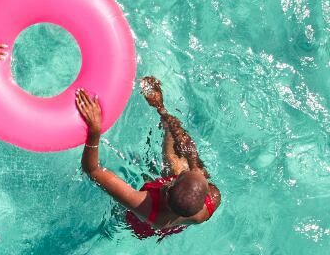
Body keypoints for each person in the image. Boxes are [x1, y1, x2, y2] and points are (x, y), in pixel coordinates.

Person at [74, 77, 221, 239]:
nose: (194, 170)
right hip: (175, 219)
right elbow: (194, 167)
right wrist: (162, 110)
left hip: (144, 224)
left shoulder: (143, 204)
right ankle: (164, 118)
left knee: (119, 207)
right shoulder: (206, 206)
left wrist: (94, 132)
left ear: (168, 186)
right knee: (178, 159)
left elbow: (92, 170)